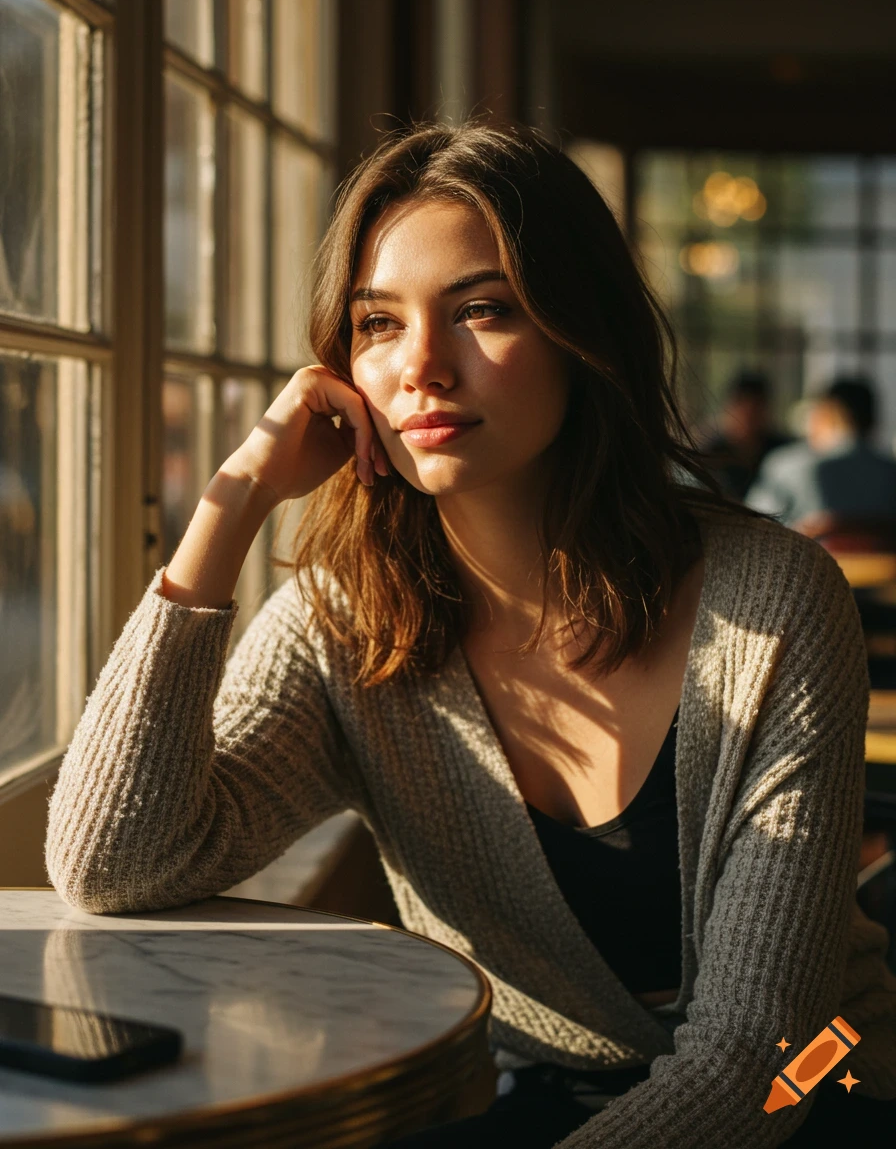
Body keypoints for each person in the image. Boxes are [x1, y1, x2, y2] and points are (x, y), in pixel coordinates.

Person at [45, 123, 896, 1148]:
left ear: (581, 332)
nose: (421, 367)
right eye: (376, 323)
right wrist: (234, 501)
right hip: (532, 1104)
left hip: (811, 1099)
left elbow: (759, 1050)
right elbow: (113, 859)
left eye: (481, 310)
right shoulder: (347, 619)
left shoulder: (771, 598)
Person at [746, 378, 896, 546]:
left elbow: (754, 528)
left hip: (809, 568)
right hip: (885, 571)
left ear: (826, 414)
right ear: (873, 420)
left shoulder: (787, 466)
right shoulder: (890, 472)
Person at [700, 371, 789, 502]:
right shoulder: (711, 454)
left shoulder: (782, 453)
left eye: (756, 411)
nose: (748, 419)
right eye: (744, 410)